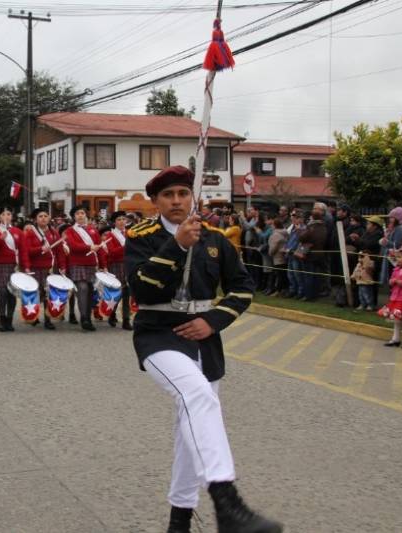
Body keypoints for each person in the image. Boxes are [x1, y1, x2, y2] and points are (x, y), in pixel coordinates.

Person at [125, 165, 281, 533]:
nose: (177, 201)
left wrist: (213, 320)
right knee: (197, 397)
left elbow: (242, 288)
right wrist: (177, 244)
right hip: (159, 335)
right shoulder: (141, 236)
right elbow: (142, 289)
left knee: (190, 424)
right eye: (168, 195)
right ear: (155, 202)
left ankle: (179, 519)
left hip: (204, 338)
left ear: (191, 196)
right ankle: (226, 500)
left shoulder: (215, 238)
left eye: (182, 193)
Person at [0, 206, 31, 332]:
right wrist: (0, 239)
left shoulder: (18, 232)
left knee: (12, 294)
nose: (7, 217)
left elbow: (23, 251)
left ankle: (10, 319)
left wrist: (26, 267)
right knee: (3, 292)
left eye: (9, 214)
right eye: (4, 214)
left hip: (14, 265)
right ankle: (2, 318)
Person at [63, 205, 106, 331]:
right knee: (82, 288)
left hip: (91, 264)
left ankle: (88, 316)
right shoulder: (70, 231)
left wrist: (103, 265)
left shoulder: (93, 230)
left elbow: (100, 249)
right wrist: (89, 247)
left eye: (82, 213)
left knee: (90, 290)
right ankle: (84, 318)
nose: (80, 215)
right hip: (76, 263)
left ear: (85, 215)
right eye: (77, 214)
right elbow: (73, 246)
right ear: (74, 217)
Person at [25, 207, 64, 330]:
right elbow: (27, 251)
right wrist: (40, 249)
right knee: (37, 293)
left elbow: (59, 251)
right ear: (36, 220)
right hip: (35, 267)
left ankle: (48, 319)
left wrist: (62, 266)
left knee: (49, 294)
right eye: (40, 216)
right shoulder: (30, 233)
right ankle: (34, 316)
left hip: (50, 268)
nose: (43, 218)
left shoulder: (54, 233)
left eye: (45, 216)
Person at [103, 210, 131, 329]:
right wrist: (125, 247)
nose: (121, 222)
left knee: (127, 293)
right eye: (118, 220)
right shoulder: (110, 235)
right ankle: (112, 313)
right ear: (114, 222)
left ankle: (126, 319)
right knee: (117, 293)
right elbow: (111, 253)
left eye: (123, 219)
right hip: (115, 265)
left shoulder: (129, 233)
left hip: (129, 264)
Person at [266, 217, 288, 297]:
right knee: (282, 274)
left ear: (275, 225)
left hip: (277, 258)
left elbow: (273, 248)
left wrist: (270, 253)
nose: (271, 226)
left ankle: (278, 290)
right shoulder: (285, 233)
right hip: (284, 257)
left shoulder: (276, 235)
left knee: (279, 275)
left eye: (272, 224)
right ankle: (283, 290)